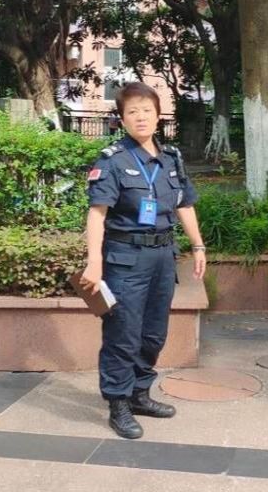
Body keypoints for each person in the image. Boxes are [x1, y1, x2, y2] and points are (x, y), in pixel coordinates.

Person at [80, 82, 207, 439]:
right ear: (122, 119)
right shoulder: (112, 161)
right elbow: (97, 214)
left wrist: (198, 246)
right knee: (123, 333)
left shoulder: (171, 159)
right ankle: (118, 403)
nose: (140, 117)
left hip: (163, 257)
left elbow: (185, 204)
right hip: (125, 259)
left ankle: (139, 394)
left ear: (158, 115)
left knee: (153, 333)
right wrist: (94, 262)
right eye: (132, 111)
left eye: (147, 110)